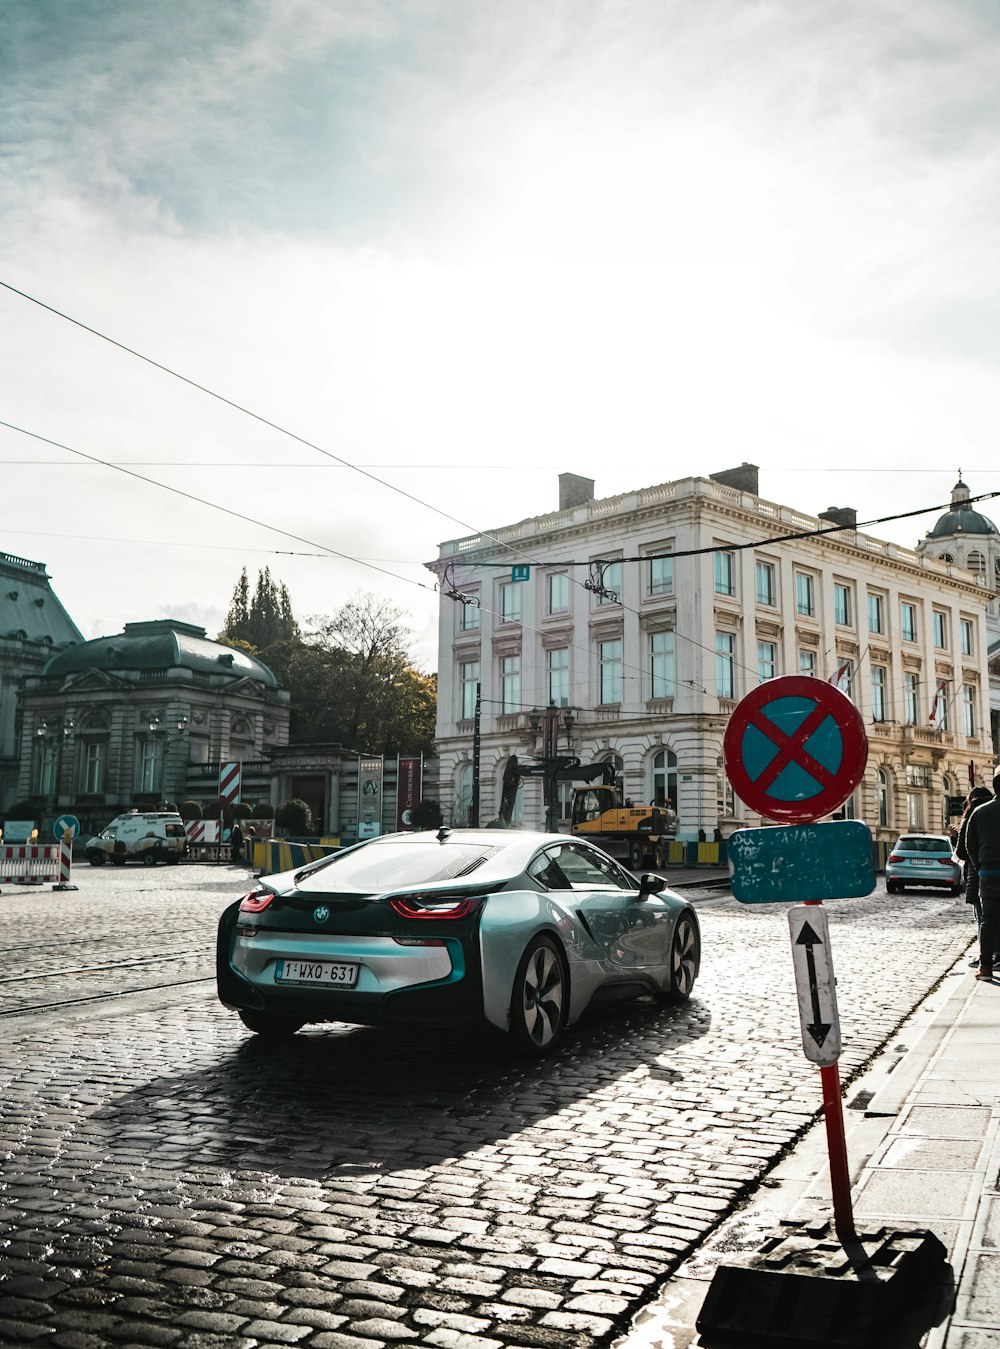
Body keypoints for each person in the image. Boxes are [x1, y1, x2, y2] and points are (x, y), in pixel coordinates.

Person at [965, 772, 1000, 980]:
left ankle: (985, 966)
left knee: (988, 920)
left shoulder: (980, 812)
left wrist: (981, 867)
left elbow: (970, 845)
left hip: (988, 874)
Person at [956, 786, 993, 967]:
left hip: (981, 875)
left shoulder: (974, 814)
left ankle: (985, 960)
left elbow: (963, 851)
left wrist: (979, 866)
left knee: (983, 918)